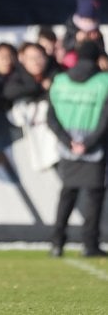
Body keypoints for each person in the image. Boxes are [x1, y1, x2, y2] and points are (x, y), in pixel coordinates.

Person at [47, 40, 108, 258]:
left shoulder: (60, 80)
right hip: (95, 147)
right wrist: (88, 143)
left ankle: (57, 243)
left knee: (67, 194)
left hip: (68, 146)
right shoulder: (104, 81)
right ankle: (90, 245)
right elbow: (105, 118)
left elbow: (50, 116)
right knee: (94, 195)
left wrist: (68, 141)